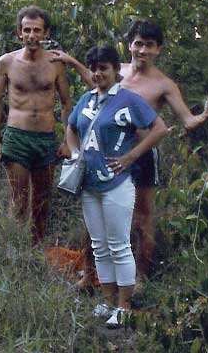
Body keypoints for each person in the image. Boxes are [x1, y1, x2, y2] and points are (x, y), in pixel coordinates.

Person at [52, 20, 208, 287]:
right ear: (129, 45)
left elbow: (187, 121)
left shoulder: (164, 84)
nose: (142, 51)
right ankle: (88, 272)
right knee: (94, 215)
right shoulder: (118, 71)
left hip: (141, 156)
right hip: (105, 154)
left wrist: (206, 114)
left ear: (158, 49)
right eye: (138, 44)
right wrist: (72, 61)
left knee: (142, 218)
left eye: (149, 45)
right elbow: (94, 80)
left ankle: (140, 277)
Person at [66, 45, 168, 327]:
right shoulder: (86, 100)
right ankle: (107, 300)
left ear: (115, 71)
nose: (98, 73)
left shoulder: (128, 100)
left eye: (104, 68)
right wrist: (75, 155)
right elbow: (71, 128)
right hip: (88, 183)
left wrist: (131, 156)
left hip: (117, 183)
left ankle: (124, 304)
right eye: (94, 68)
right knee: (99, 245)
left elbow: (158, 128)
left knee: (119, 244)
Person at [0, 5, 71, 244]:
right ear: (19, 33)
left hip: (45, 138)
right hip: (17, 137)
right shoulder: (7, 62)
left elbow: (67, 103)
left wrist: (67, 140)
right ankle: (13, 249)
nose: (32, 35)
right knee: (19, 199)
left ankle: (36, 250)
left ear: (45, 34)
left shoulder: (56, 63)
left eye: (37, 30)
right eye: (27, 30)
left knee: (42, 201)